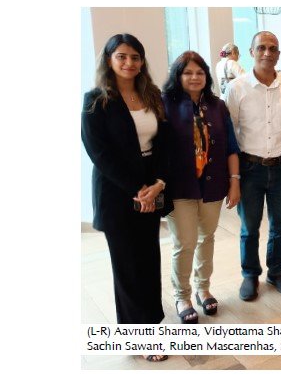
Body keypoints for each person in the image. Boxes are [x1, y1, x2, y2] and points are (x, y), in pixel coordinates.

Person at [81, 33, 170, 363]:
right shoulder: (96, 100)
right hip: (116, 191)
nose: (129, 62)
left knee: (149, 261)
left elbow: (164, 143)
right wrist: (137, 189)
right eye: (122, 56)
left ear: (142, 61)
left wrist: (158, 183)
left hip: (151, 186)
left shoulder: (152, 94)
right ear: (109, 60)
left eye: (135, 57)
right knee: (128, 267)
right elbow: (99, 153)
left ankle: (152, 325)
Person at [162, 51, 241, 323]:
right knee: (185, 242)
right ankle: (182, 296)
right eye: (188, 73)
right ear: (178, 76)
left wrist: (234, 182)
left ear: (207, 76)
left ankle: (203, 288)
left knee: (206, 237)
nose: (194, 77)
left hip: (213, 184)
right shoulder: (163, 104)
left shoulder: (217, 106)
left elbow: (231, 147)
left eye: (199, 73)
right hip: (179, 187)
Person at [224, 31, 281, 300]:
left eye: (273, 48)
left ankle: (277, 272)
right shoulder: (236, 88)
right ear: (251, 52)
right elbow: (230, 132)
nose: (267, 53)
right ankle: (250, 275)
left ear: (278, 53)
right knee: (249, 228)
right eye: (261, 48)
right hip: (249, 168)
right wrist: (233, 175)